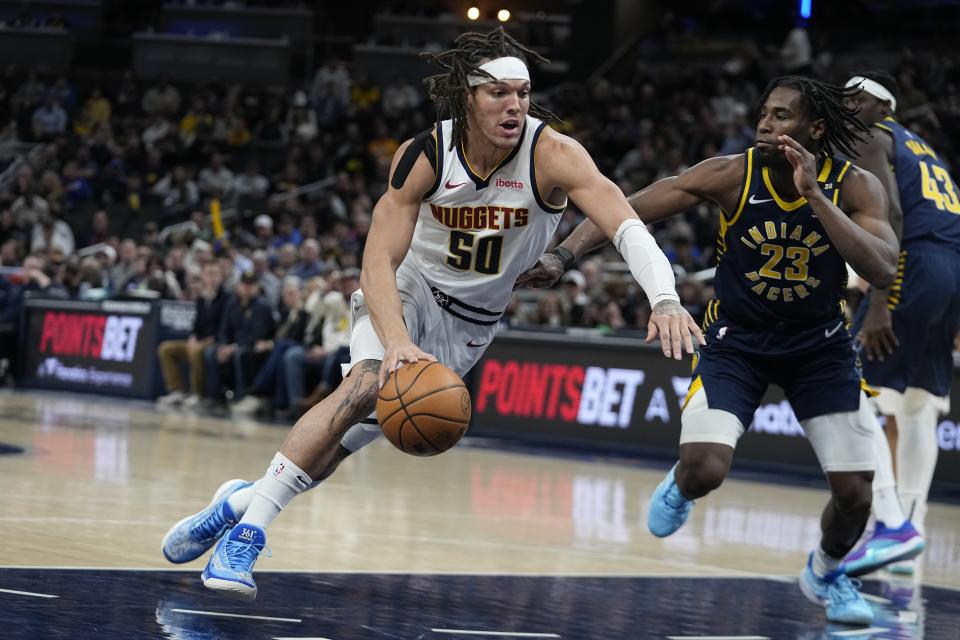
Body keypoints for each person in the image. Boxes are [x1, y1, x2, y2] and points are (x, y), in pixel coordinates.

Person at [160, 27, 701, 599]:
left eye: (521, 92)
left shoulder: (555, 156)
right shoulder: (426, 154)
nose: (514, 104)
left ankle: (237, 502)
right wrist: (394, 340)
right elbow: (376, 261)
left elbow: (627, 227)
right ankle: (246, 539)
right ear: (467, 97)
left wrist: (664, 296)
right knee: (365, 385)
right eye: (498, 93)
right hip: (406, 289)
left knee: (334, 449)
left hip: (471, 324)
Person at [517, 76, 899, 625]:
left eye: (783, 116)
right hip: (737, 345)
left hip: (820, 350)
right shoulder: (730, 174)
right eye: (764, 113)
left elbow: (882, 268)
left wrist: (814, 194)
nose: (766, 125)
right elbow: (626, 211)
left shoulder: (856, 186)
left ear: (815, 129)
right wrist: (565, 256)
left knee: (856, 495)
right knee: (704, 470)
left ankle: (827, 571)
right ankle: (681, 485)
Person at [840, 70, 960, 576]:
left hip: (911, 265)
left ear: (880, 107)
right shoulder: (925, 149)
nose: (844, 106)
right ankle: (912, 532)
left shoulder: (872, 136)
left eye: (854, 98)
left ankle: (891, 522)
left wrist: (882, 301)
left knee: (847, 387)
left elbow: (891, 220)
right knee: (917, 408)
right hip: (951, 267)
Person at [156, 261, 228, 408]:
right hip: (199, 341)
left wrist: (211, 339)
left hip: (215, 342)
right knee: (166, 349)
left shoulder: (226, 298)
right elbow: (196, 325)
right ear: (203, 276)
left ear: (221, 277)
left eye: (214, 274)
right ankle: (177, 391)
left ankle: (198, 394)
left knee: (196, 351)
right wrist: (193, 337)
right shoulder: (201, 298)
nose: (211, 278)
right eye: (208, 274)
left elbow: (225, 326)